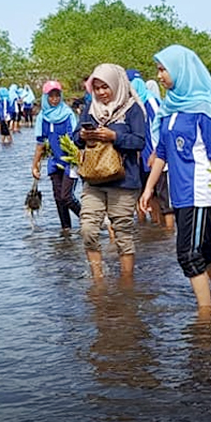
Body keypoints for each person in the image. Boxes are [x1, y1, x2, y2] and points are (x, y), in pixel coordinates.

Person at [140, 45, 211, 309]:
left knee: (188, 255)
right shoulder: (170, 108)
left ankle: (206, 316)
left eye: (163, 70)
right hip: (180, 192)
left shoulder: (202, 110)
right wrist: (148, 190)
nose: (159, 76)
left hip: (200, 191)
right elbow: (162, 153)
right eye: (158, 70)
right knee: (206, 246)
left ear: (180, 70)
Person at [74, 63, 146, 279]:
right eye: (97, 88)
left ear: (116, 85)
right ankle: (98, 281)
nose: (102, 92)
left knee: (123, 233)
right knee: (87, 229)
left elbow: (140, 141)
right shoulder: (91, 108)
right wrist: (83, 136)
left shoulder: (132, 108)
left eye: (105, 87)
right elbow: (75, 137)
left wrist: (115, 137)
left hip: (124, 180)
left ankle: (126, 282)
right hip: (94, 180)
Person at [32, 80, 82, 232]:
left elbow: (76, 138)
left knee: (67, 196)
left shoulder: (68, 115)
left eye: (57, 95)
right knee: (59, 198)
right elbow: (40, 143)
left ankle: (88, 220)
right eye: (51, 96)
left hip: (70, 161)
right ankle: (66, 229)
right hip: (54, 162)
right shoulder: (42, 117)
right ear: (45, 98)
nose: (54, 99)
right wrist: (35, 165)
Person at [127, 69, 167, 226]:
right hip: (137, 155)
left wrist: (155, 152)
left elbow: (159, 126)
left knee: (156, 193)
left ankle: (159, 225)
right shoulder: (130, 103)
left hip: (151, 153)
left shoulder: (150, 101)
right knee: (139, 191)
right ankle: (144, 226)